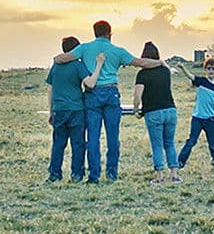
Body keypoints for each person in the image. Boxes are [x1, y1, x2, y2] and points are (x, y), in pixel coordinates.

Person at [53, 20, 165, 183]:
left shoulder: (84, 48)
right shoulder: (117, 51)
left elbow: (61, 59)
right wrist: (159, 62)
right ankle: (111, 174)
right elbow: (140, 62)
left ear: (95, 32)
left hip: (92, 94)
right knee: (113, 137)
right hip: (111, 93)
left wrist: (57, 57)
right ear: (109, 33)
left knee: (93, 137)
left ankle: (94, 176)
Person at [119, 42, 180, 184]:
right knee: (170, 143)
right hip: (170, 110)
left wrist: (135, 109)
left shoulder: (142, 74)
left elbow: (137, 95)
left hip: (153, 112)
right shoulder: (165, 71)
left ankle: (159, 176)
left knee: (157, 145)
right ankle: (174, 175)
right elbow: (164, 68)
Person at [44, 36, 99, 182]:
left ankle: (55, 174)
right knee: (78, 144)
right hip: (76, 109)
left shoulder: (55, 66)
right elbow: (90, 83)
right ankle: (77, 174)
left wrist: (51, 111)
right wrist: (99, 65)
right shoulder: (78, 65)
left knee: (58, 144)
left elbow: (50, 88)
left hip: (59, 109)